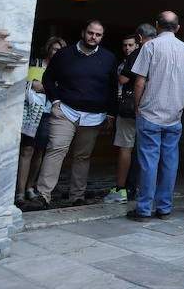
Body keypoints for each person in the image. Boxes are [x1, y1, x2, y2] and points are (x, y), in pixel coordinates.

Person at [21, 20, 118, 211]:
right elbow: (49, 78)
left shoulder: (108, 58)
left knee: (83, 156)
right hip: (65, 110)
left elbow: (112, 88)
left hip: (94, 116)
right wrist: (55, 101)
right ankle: (43, 196)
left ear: (102, 37)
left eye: (98, 35)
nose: (93, 37)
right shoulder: (65, 54)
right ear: (83, 32)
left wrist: (111, 114)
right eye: (90, 33)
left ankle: (77, 196)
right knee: (55, 150)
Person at [126, 12, 184, 222]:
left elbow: (139, 82)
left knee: (148, 162)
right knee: (170, 162)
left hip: (150, 112)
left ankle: (144, 209)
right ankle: (165, 208)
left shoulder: (150, 47)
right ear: (177, 28)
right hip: (174, 115)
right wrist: (179, 103)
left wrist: (138, 106)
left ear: (157, 25)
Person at [16, 36, 65, 206]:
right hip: (30, 112)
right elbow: (21, 82)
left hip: (47, 113)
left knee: (39, 152)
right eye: (54, 49)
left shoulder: (62, 70)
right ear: (48, 49)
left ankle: (30, 187)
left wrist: (45, 87)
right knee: (26, 150)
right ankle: (20, 191)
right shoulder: (34, 63)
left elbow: (63, 90)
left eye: (60, 50)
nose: (57, 52)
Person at [104, 31, 151, 204]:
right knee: (146, 149)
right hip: (152, 109)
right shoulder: (158, 54)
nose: (127, 48)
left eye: (130, 45)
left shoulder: (136, 56)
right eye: (124, 45)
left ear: (139, 41)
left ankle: (121, 189)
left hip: (131, 107)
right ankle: (141, 188)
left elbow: (123, 80)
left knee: (126, 147)